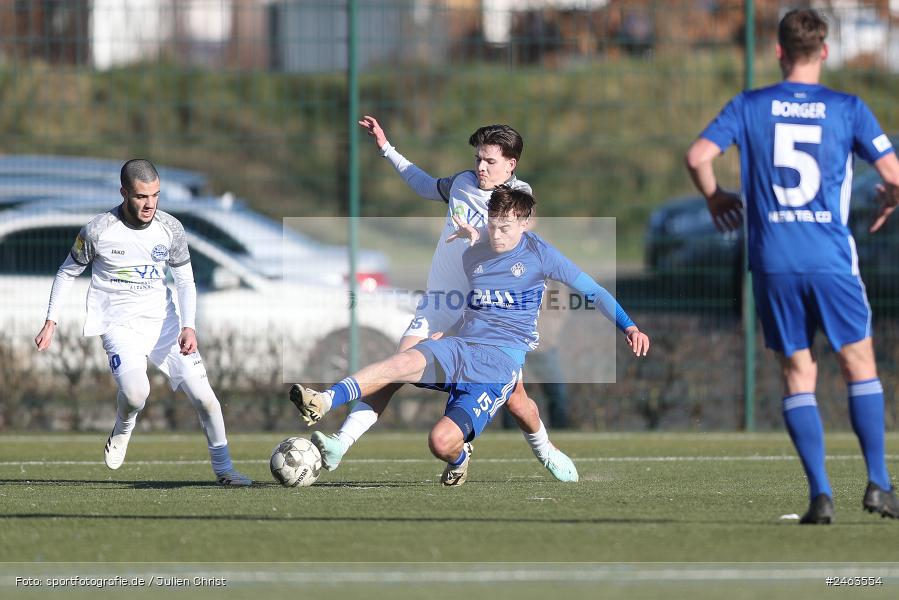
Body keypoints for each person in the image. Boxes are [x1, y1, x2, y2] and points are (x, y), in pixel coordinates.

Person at [685, 8, 899, 523]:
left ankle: (821, 495)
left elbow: (697, 156)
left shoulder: (750, 104)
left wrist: (715, 199)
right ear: (824, 51)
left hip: (773, 260)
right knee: (859, 365)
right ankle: (879, 486)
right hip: (829, 258)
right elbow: (893, 173)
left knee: (798, 374)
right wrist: (889, 196)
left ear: (778, 51)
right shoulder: (848, 108)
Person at [290, 187, 649, 485]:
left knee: (443, 440)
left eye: (506, 227)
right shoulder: (473, 254)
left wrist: (628, 326)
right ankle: (323, 400)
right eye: (492, 225)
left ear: (524, 224)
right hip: (459, 347)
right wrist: (454, 328)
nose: (497, 233)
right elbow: (479, 304)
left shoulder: (541, 255)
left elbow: (594, 291)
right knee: (398, 362)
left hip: (499, 363)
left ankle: (474, 456)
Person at [310, 116, 577, 484]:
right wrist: (387, 149)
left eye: (490, 161)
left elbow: (521, 238)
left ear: (511, 165)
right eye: (478, 158)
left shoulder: (519, 197)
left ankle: (546, 450)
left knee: (516, 399)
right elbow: (425, 185)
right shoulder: (463, 183)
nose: (480, 167)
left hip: (482, 313)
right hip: (440, 302)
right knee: (397, 368)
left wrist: (479, 234)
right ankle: (340, 444)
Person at [34, 159, 252, 486]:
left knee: (206, 398)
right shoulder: (98, 230)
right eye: (140, 197)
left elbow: (185, 281)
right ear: (124, 193)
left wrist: (188, 325)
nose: (149, 204)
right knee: (137, 394)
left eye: (155, 195)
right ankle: (123, 427)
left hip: (164, 325)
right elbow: (67, 272)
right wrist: (51, 320)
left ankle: (225, 470)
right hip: (118, 325)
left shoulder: (170, 228)